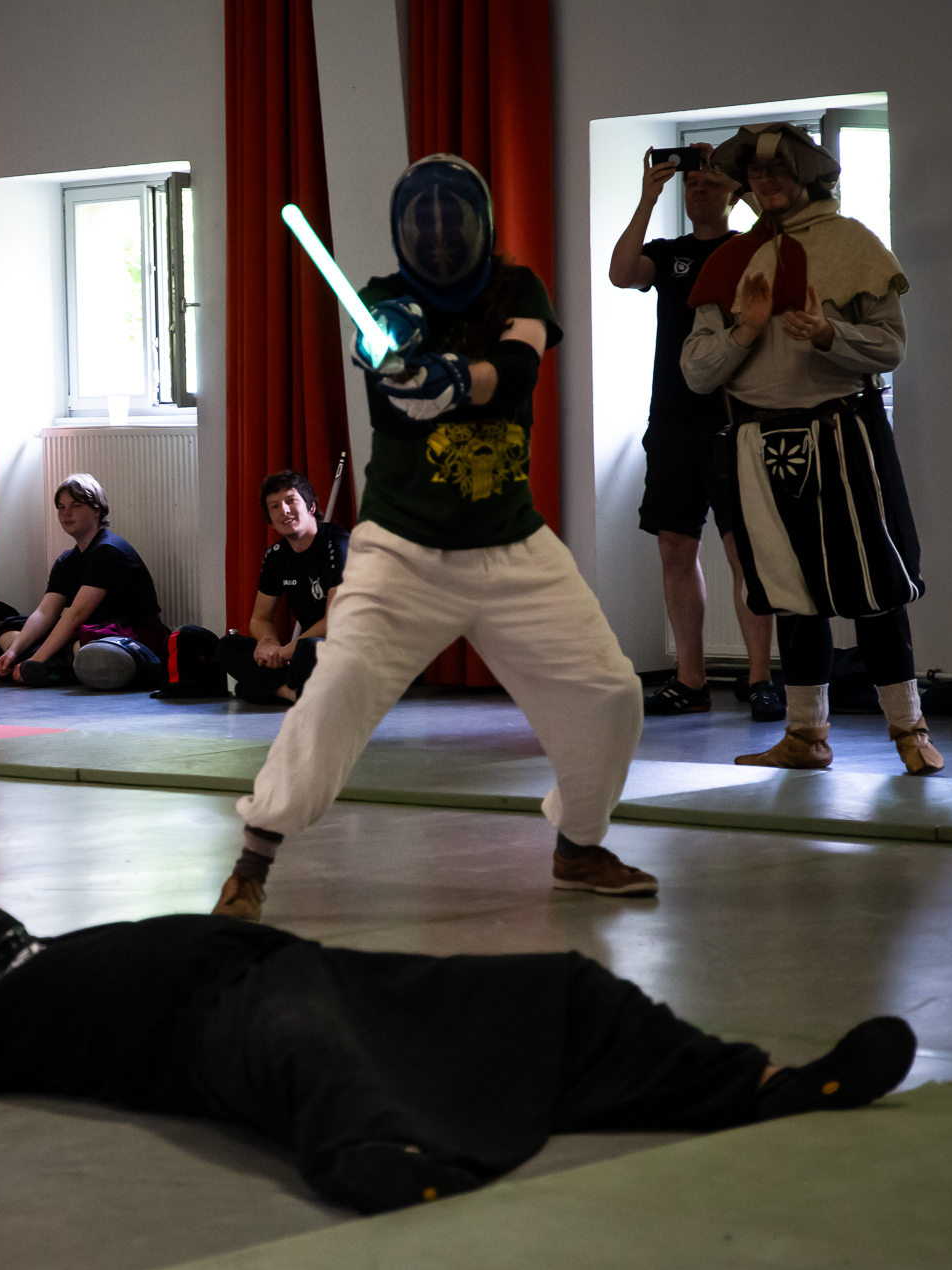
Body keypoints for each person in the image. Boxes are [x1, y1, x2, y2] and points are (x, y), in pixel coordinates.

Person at [0, 905, 919, 1218]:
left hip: (310, 961)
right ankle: (380, 1159)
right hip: (224, 1027)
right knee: (311, 1058)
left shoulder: (51, 959)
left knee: (548, 987)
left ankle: (760, 1086)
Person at [213, 155, 655, 923]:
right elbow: (383, 375)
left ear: (480, 222)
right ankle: (251, 864)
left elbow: (517, 368)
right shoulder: (382, 299)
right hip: (400, 554)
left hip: (513, 546)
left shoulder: (518, 290)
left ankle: (579, 847)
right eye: (428, 222)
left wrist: (453, 378)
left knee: (611, 691)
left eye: (455, 219)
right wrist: (394, 363)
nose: (443, 236)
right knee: (336, 690)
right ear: (404, 231)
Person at [679, 124, 939, 776]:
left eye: (779, 170)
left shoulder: (853, 244)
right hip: (758, 445)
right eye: (757, 172)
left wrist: (830, 335)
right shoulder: (729, 261)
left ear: (808, 175)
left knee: (874, 586)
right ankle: (805, 735)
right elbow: (697, 373)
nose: (766, 181)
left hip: (842, 435)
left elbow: (891, 346)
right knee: (787, 590)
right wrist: (745, 330)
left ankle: (909, 730)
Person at [608, 146, 780, 721]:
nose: (698, 188)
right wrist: (648, 196)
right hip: (672, 420)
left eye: (710, 181)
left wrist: (739, 179)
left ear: (730, 190)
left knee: (743, 552)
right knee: (673, 547)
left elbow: (782, 233)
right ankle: (690, 679)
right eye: (692, 183)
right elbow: (621, 273)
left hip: (736, 420)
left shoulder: (749, 248)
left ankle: (760, 679)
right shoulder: (670, 253)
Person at [0, 473, 166, 689]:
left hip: (128, 635)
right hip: (87, 631)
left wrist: (35, 660)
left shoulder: (108, 550)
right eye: (61, 507)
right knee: (7, 629)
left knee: (85, 647)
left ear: (97, 510)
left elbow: (77, 614)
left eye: (76, 505)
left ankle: (54, 665)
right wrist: (13, 652)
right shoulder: (66, 560)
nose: (66, 513)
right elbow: (45, 613)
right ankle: (56, 665)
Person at [218, 471, 347, 705]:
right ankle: (290, 692)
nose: (284, 511)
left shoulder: (337, 545)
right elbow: (260, 618)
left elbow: (335, 620)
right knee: (228, 646)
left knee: (310, 651)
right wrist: (268, 642)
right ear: (269, 518)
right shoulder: (277, 556)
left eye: (291, 501)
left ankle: (264, 687)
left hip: (347, 646)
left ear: (311, 506)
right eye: (275, 506)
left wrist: (290, 649)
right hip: (301, 650)